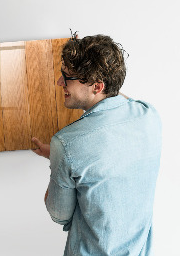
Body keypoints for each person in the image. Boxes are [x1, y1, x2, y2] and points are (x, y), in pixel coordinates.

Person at [31, 34, 161, 255]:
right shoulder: (149, 115)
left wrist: (58, 158)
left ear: (97, 86)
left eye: (67, 76)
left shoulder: (66, 144)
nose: (60, 82)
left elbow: (59, 214)